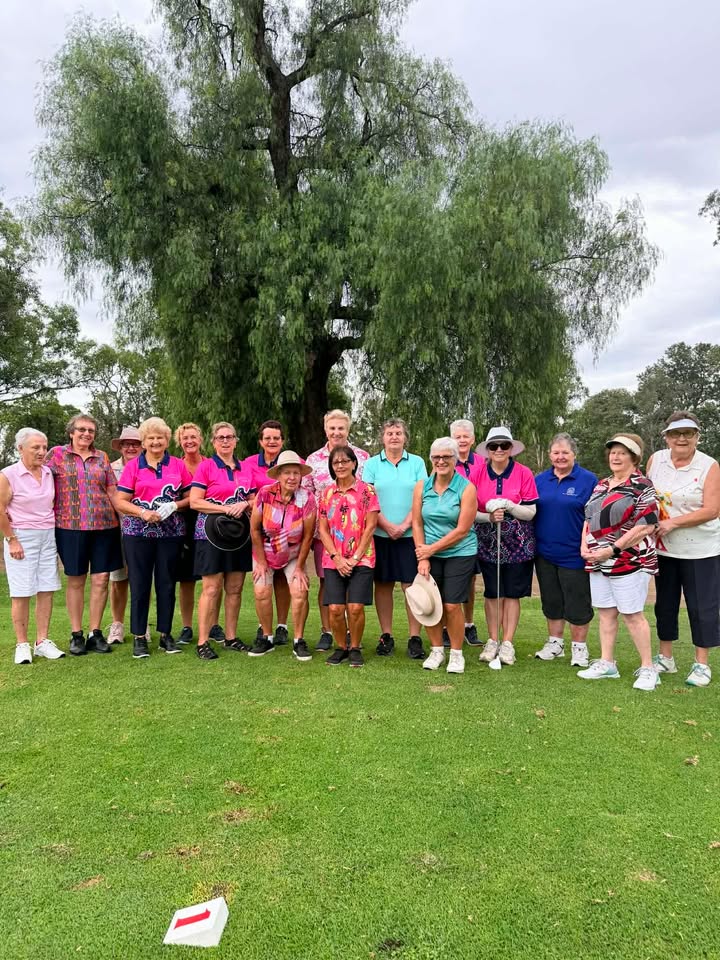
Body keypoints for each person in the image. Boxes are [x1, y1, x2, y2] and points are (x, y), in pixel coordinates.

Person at [578, 433, 659, 691]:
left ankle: (648, 668)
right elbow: (589, 518)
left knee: (632, 615)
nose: (616, 456)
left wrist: (612, 549)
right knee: (606, 613)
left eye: (622, 452)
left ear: (634, 457)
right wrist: (585, 545)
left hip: (629, 559)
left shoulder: (642, 486)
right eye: (613, 451)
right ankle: (607, 663)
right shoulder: (602, 484)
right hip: (597, 559)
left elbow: (646, 526)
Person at [647, 412, 720, 687]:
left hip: (701, 549)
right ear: (666, 436)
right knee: (664, 604)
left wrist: (673, 523)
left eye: (688, 433)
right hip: (664, 549)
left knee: (702, 607)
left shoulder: (709, 466)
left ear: (697, 437)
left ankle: (701, 664)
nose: (681, 438)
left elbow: (712, 510)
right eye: (676, 433)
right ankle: (666, 658)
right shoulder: (656, 459)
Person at [46, 413, 123, 656]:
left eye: (90, 430)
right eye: (81, 429)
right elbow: (41, 484)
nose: (86, 434)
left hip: (104, 526)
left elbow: (112, 491)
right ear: (71, 432)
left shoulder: (102, 457)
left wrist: (129, 516)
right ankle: (77, 634)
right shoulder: (56, 455)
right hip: (70, 527)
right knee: (76, 579)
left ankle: (95, 633)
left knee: (101, 580)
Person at [115, 417, 192, 658]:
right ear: (144, 442)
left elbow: (192, 497)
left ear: (167, 440)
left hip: (171, 532)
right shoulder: (133, 467)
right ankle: (140, 636)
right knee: (139, 583)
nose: (156, 441)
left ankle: (166, 635)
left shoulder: (178, 465)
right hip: (137, 532)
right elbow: (119, 500)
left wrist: (176, 506)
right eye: (151, 438)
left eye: (160, 437)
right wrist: (142, 512)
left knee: (166, 583)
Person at [190, 422, 256, 660]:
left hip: (238, 536)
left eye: (229, 437)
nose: (225, 441)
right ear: (214, 442)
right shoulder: (206, 467)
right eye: (220, 438)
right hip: (209, 535)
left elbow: (255, 499)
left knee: (235, 588)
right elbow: (195, 501)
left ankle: (230, 637)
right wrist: (225, 508)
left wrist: (246, 504)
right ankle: (203, 641)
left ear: (236, 440)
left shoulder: (245, 468)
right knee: (211, 588)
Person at [411, 437, 478, 674]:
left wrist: (431, 549)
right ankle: (437, 650)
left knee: (450, 605)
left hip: (460, 552)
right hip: (429, 553)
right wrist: (424, 556)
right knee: (430, 603)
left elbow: (462, 530)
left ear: (456, 459)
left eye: (446, 457)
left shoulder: (467, 488)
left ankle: (457, 654)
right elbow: (417, 523)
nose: (441, 461)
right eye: (436, 457)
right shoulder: (422, 487)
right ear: (431, 460)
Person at [472, 427, 538, 667]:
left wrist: (510, 506)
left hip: (519, 542)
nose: (499, 450)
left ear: (511, 449)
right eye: (493, 446)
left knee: (511, 593)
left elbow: (530, 512)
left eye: (504, 445)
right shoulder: (478, 473)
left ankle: (507, 643)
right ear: (487, 450)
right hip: (488, 539)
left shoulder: (523, 473)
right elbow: (469, 511)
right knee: (492, 592)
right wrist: (488, 517)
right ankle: (492, 639)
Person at [363, 418, 428, 659]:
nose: (394, 437)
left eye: (398, 432)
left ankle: (414, 637)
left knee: (412, 587)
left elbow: (421, 497)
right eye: (389, 433)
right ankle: (386, 635)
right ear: (383, 437)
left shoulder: (417, 463)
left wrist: (404, 525)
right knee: (383, 585)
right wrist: (388, 526)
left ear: (405, 437)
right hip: (380, 534)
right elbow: (368, 500)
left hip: (410, 534)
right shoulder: (371, 464)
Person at [304, 409, 369, 651]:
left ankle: (353, 632)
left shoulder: (362, 456)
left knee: (354, 582)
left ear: (348, 429)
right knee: (326, 582)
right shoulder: (313, 460)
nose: (336, 432)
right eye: (332, 428)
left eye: (341, 428)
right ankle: (328, 631)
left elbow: (367, 494)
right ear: (325, 430)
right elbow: (309, 497)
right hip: (326, 534)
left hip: (356, 533)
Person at [533, 433, 597, 667]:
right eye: (556, 453)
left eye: (565, 453)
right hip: (544, 552)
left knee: (577, 601)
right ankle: (555, 643)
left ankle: (579, 648)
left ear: (574, 455)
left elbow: (594, 517)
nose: (560, 457)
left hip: (575, 553)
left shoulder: (588, 480)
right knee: (551, 599)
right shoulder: (540, 480)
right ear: (550, 455)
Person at [1, 428, 64, 664]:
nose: (41, 452)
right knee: (21, 591)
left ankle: (42, 641)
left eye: (44, 447)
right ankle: (22, 644)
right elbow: (0, 509)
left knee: (46, 588)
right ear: (20, 449)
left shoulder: (48, 472)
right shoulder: (8, 474)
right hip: (21, 536)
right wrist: (11, 539)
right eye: (35, 447)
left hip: (47, 535)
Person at [250, 451, 316, 660]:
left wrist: (299, 567)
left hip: (294, 552)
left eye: (296, 473)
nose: (292, 477)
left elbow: (307, 536)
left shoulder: (307, 497)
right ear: (278, 474)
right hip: (266, 551)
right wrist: (260, 562)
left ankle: (299, 640)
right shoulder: (264, 493)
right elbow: (255, 530)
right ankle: (267, 638)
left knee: (299, 591)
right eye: (287, 472)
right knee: (261, 591)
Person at [317, 445, 379, 667]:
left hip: (362, 558)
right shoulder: (326, 493)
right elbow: (323, 529)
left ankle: (355, 647)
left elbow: (370, 527)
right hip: (334, 559)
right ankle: (341, 647)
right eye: (336, 463)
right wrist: (337, 558)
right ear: (331, 467)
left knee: (355, 607)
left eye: (345, 461)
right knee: (335, 609)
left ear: (354, 463)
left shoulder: (367, 492)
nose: (341, 465)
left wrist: (354, 559)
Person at [243, 420, 292, 647]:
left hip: (290, 535)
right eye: (268, 438)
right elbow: (246, 493)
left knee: (282, 579)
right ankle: (265, 628)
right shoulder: (249, 464)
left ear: (282, 440)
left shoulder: (293, 461)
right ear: (261, 441)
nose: (272, 441)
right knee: (263, 582)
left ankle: (282, 626)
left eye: (276, 438)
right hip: (261, 531)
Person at [174, 422, 210, 645]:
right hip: (183, 525)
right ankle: (187, 626)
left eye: (193, 437)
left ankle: (213, 624)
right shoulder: (176, 466)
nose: (189, 441)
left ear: (201, 439)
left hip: (209, 525)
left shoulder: (210, 464)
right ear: (179, 441)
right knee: (186, 580)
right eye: (185, 438)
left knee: (212, 579)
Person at [107, 426, 143, 644]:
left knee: (141, 579)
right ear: (120, 446)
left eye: (135, 443)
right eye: (126, 444)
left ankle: (141, 624)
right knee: (118, 580)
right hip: (117, 529)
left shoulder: (149, 467)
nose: (131, 447)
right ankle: (117, 625)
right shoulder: (110, 469)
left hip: (144, 531)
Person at [450, 418, 482, 646]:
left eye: (465, 436)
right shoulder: (445, 461)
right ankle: (446, 626)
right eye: (457, 436)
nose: (461, 440)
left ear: (472, 439)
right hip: (449, 529)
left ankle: (469, 624)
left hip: (478, 528)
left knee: (469, 579)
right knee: (445, 578)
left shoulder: (482, 463)